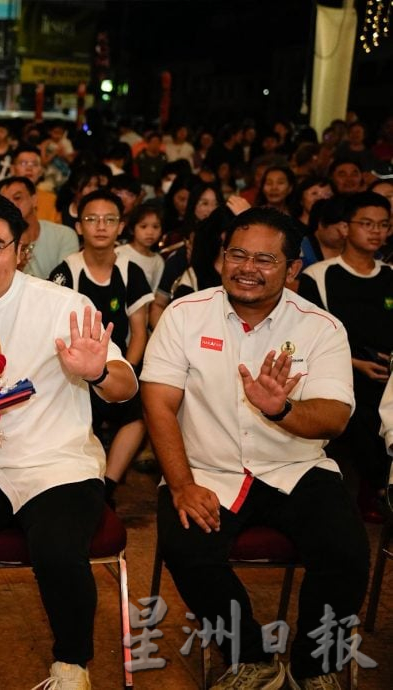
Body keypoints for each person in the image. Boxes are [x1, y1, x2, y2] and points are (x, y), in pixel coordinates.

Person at [0, 190, 138, 690]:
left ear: (20, 250)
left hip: (54, 463)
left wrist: (98, 372)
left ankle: (72, 665)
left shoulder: (64, 307)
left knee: (57, 550)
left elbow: (126, 387)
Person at [141, 207, 370, 690]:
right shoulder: (184, 315)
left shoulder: (321, 327)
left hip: (294, 466)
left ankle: (317, 665)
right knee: (187, 549)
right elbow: (159, 403)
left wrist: (281, 409)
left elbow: (335, 416)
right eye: (237, 255)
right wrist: (181, 485)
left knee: (346, 551)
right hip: (207, 468)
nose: (248, 268)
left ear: (292, 270)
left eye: (265, 259)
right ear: (221, 258)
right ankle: (251, 658)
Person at [49, 190, 152, 507]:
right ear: (78, 226)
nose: (101, 227)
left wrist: (125, 373)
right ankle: (81, 480)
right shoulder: (66, 271)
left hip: (115, 368)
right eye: (91, 219)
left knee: (141, 411)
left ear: (121, 226)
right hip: (75, 374)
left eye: (110, 220)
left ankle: (107, 486)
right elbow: (54, 331)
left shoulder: (131, 271)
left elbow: (139, 331)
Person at [298, 191, 393, 521]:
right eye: (366, 223)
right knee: (357, 406)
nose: (376, 231)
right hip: (339, 371)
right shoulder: (319, 276)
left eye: (383, 224)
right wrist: (355, 364)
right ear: (345, 228)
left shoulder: (390, 275)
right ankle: (379, 487)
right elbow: (307, 337)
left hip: (387, 373)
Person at [0, 175, 77, 280]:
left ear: (34, 200)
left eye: (17, 198)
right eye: (5, 201)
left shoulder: (64, 236)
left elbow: (65, 281)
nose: (11, 204)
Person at [116, 202, 165, 292]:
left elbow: (152, 293)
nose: (150, 232)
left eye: (155, 227)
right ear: (132, 229)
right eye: (143, 227)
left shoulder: (158, 261)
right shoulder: (119, 252)